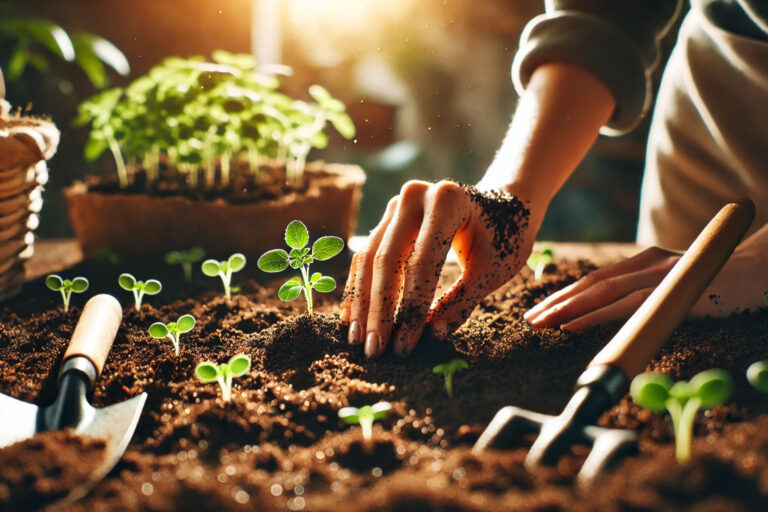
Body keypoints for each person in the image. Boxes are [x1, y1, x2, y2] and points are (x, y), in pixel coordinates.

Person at [340, 0, 768, 358]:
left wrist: (758, 265)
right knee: (668, 329)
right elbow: (603, 14)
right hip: (730, 91)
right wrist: (511, 194)